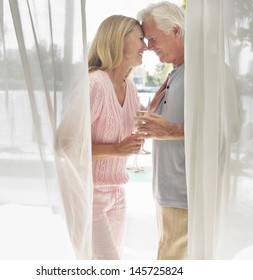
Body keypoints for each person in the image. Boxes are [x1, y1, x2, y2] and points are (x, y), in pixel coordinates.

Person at [88, 15, 147, 259]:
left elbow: (133, 130)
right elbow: (67, 146)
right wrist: (116, 150)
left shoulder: (130, 87)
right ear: (120, 39)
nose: (146, 46)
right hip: (92, 198)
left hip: (118, 195)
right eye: (141, 39)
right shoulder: (95, 84)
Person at [136, 2, 187, 260]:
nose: (147, 47)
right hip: (168, 194)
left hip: (184, 197)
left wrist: (171, 131)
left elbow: (229, 132)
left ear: (176, 31)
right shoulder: (176, 73)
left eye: (152, 38)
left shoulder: (204, 72)